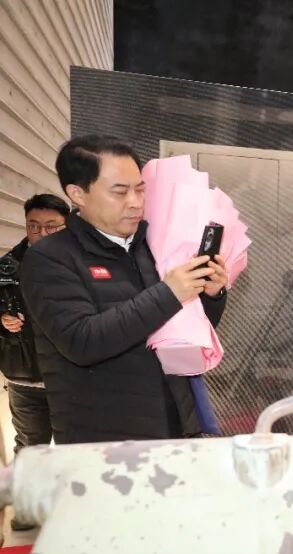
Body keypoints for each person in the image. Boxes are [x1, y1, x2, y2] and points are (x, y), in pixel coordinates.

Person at [21, 135, 229, 444]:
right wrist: (169, 293)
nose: (135, 202)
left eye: (140, 189)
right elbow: (82, 342)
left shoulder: (153, 244)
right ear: (77, 194)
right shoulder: (49, 258)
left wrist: (210, 295)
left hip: (174, 428)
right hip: (103, 441)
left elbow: (182, 329)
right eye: (119, 192)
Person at [0, 194, 69, 454]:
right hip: (24, 377)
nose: (41, 233)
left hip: (70, 377)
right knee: (30, 448)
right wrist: (2, 320)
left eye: (51, 227)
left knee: (75, 448)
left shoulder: (82, 264)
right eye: (34, 226)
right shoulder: (6, 268)